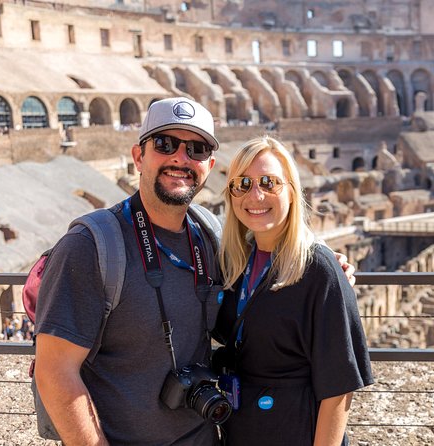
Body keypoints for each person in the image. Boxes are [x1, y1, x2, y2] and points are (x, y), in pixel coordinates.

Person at [34, 97, 356, 445]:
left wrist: (325, 266)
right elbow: (54, 371)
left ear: (209, 165)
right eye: (165, 143)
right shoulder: (90, 246)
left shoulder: (210, 236)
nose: (180, 158)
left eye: (197, 149)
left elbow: (271, 249)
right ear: (139, 156)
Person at [212, 136, 374, 446]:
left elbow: (338, 389)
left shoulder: (319, 268)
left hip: (296, 431)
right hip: (241, 431)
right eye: (242, 183)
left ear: (292, 190)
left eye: (269, 182)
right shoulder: (234, 262)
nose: (255, 195)